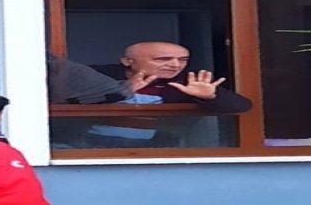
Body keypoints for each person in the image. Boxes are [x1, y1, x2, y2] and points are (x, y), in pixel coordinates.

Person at [80, 42, 252, 147]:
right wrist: (118, 91)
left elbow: (242, 107)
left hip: (158, 151)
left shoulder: (189, 81)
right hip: (83, 148)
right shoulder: (98, 76)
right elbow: (65, 101)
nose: (175, 65)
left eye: (183, 59)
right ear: (127, 61)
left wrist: (209, 96)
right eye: (162, 59)